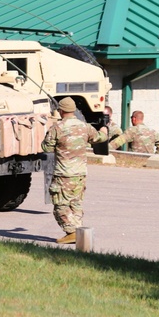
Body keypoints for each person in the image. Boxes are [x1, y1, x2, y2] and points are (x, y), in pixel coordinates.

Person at [41, 97, 107, 245]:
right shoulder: (85, 127)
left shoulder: (57, 128)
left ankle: (71, 231)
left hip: (64, 174)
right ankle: (78, 232)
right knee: (76, 203)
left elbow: (46, 147)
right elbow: (99, 137)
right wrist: (104, 129)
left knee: (60, 204)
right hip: (80, 174)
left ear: (61, 110)